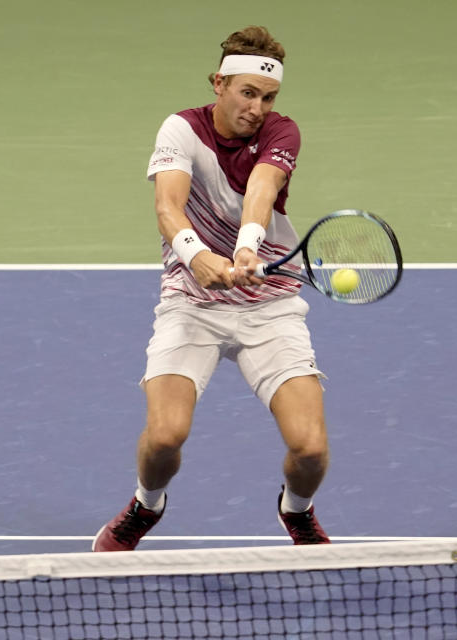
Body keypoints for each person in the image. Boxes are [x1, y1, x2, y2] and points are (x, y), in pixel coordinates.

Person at [93, 26, 331, 552]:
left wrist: (248, 247)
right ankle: (145, 506)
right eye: (247, 93)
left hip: (268, 305)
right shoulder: (181, 129)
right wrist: (198, 256)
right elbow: (168, 207)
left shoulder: (282, 132)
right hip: (192, 303)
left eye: (268, 97)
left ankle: (296, 510)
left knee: (310, 449)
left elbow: (262, 189)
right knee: (164, 437)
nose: (257, 107)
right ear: (218, 83)